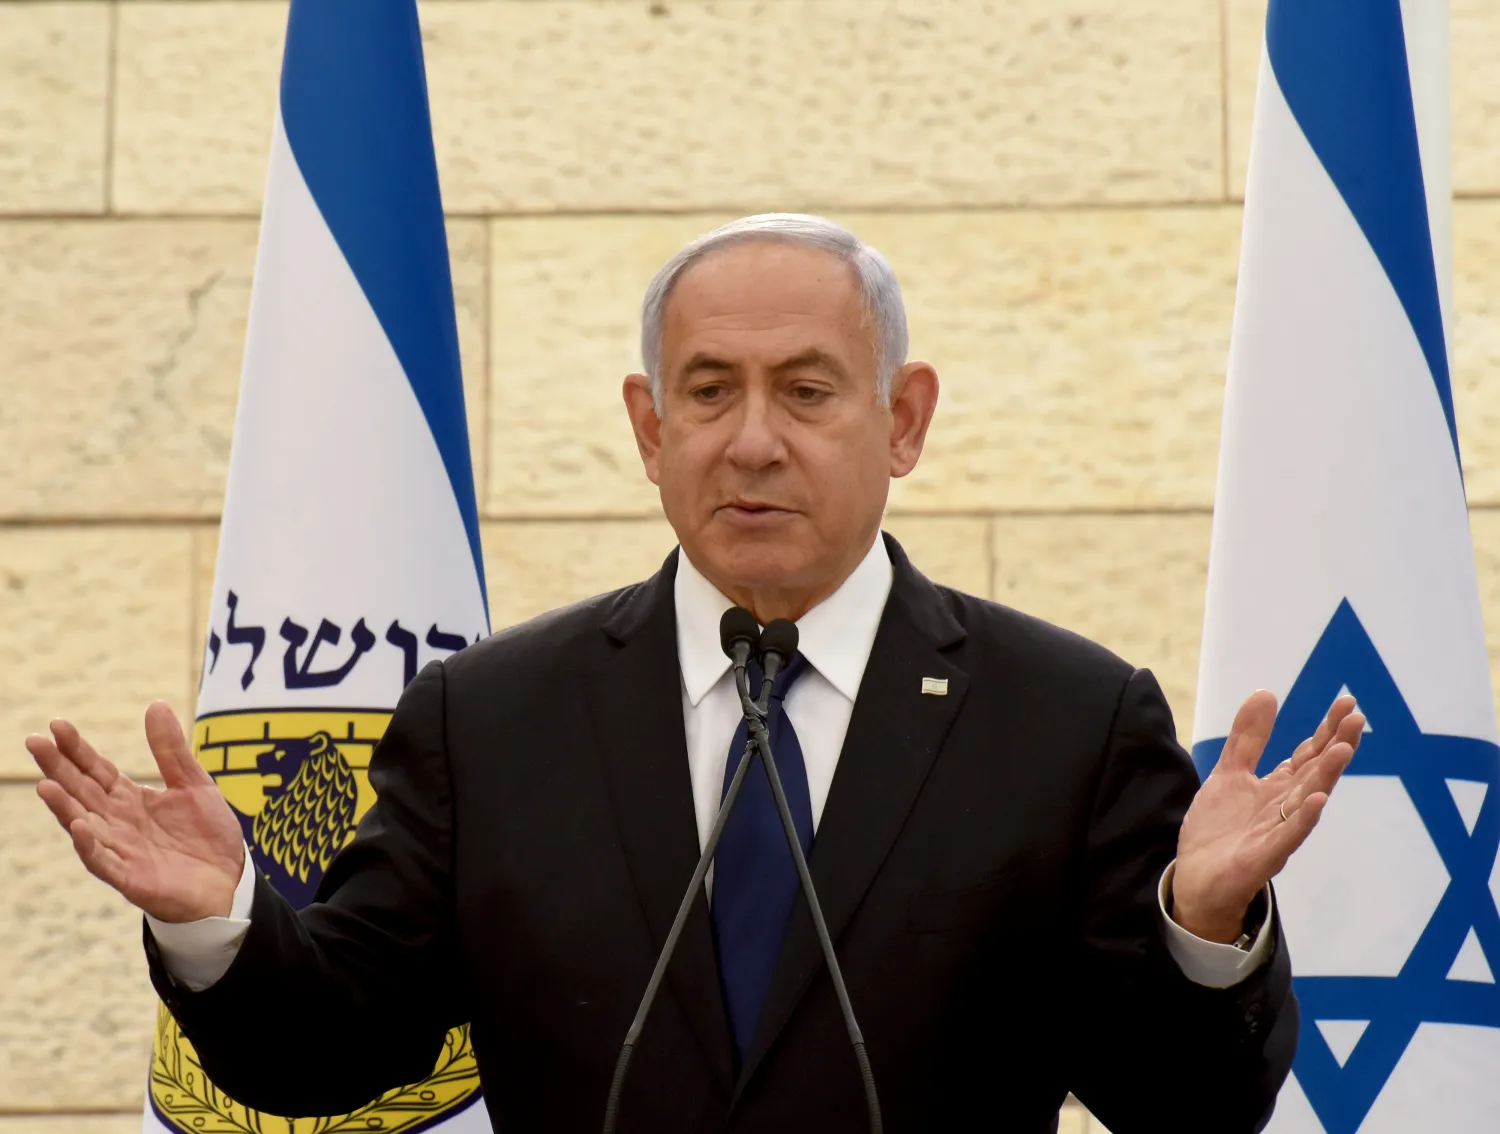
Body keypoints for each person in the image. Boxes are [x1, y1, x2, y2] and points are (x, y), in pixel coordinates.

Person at [27, 215, 1362, 1133]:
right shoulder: (491, 724)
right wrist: (220, 921)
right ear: (647, 425)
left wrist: (1198, 924)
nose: (754, 441)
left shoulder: (1064, 722)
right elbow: (332, 1054)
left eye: (809, 390)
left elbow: (1190, 1104)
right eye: (710, 390)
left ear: (902, 419)